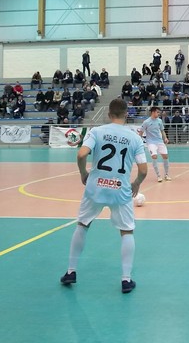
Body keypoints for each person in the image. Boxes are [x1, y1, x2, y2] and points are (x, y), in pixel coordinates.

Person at [60, 99, 148, 294]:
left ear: (109, 114)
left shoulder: (96, 132)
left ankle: (71, 272)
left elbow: (81, 155)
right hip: (121, 190)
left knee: (83, 225)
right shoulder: (134, 138)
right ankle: (126, 279)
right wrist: (136, 184)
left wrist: (83, 173)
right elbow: (143, 170)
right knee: (126, 232)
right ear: (126, 114)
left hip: (95, 189)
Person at [138, 106, 171, 182]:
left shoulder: (159, 121)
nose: (159, 114)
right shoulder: (146, 122)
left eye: (159, 112)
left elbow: (162, 131)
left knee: (165, 156)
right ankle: (158, 175)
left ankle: (166, 174)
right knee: (154, 156)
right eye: (157, 112)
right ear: (153, 112)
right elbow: (141, 132)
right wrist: (140, 142)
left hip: (159, 141)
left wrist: (165, 138)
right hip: (151, 142)